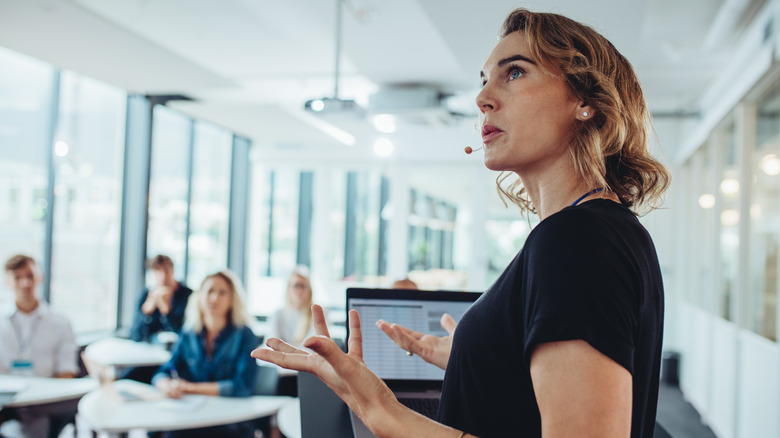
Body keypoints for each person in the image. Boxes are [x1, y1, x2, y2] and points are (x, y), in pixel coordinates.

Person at [253, 8, 670, 438]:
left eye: (514, 73)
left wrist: (378, 407)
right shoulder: (600, 231)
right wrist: (481, 357)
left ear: (584, 101)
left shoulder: (576, 240)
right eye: (485, 79)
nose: (482, 97)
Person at [152, 270, 258, 438]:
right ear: (200, 296)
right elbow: (164, 370)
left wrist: (191, 388)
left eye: (222, 293)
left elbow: (242, 386)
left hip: (230, 420)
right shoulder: (188, 334)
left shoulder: (245, 335)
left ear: (232, 299)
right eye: (210, 291)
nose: (215, 298)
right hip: (192, 416)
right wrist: (165, 384)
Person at [0, 254, 78, 438]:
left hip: (44, 401)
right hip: (5, 400)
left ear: (40, 277)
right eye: (17, 277)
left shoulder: (60, 323)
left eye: (30, 276)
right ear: (8, 282)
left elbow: (67, 372)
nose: (25, 283)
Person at [129, 255, 193, 343]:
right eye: (158, 271)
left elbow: (187, 334)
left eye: (166, 270)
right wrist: (146, 312)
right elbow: (135, 335)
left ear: (173, 271)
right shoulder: (146, 295)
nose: (163, 276)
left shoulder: (188, 296)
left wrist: (166, 311)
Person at [266, 266, 314, 346]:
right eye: (296, 285)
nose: (299, 291)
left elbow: (316, 350)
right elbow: (271, 346)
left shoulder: (316, 315)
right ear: (288, 288)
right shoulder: (278, 315)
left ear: (309, 290)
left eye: (302, 286)